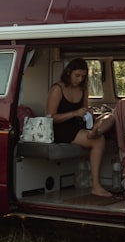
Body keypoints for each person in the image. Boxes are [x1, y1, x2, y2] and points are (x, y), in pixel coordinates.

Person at [46, 58, 112, 197]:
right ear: (69, 72)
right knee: (99, 141)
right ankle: (96, 185)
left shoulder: (83, 89)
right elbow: (50, 117)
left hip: (77, 125)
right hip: (60, 128)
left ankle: (94, 131)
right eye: (77, 76)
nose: (80, 79)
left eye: (83, 77)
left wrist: (87, 113)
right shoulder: (57, 89)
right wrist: (74, 113)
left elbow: (84, 109)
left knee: (109, 118)